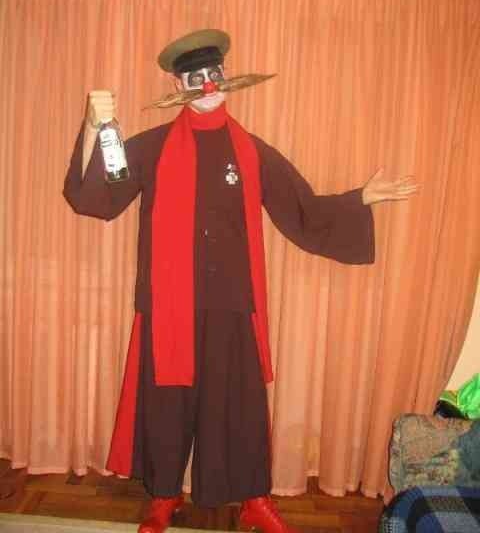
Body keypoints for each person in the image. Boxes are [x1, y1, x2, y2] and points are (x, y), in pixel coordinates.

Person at [63, 29, 418, 533]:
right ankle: (164, 497)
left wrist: (361, 198)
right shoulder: (152, 147)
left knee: (240, 407)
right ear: (177, 84)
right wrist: (96, 127)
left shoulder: (250, 150)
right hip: (167, 305)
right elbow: (98, 197)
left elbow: (301, 208)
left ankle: (254, 499)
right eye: (196, 77)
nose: (208, 84)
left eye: (215, 74)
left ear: (227, 77)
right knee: (167, 406)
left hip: (233, 302)